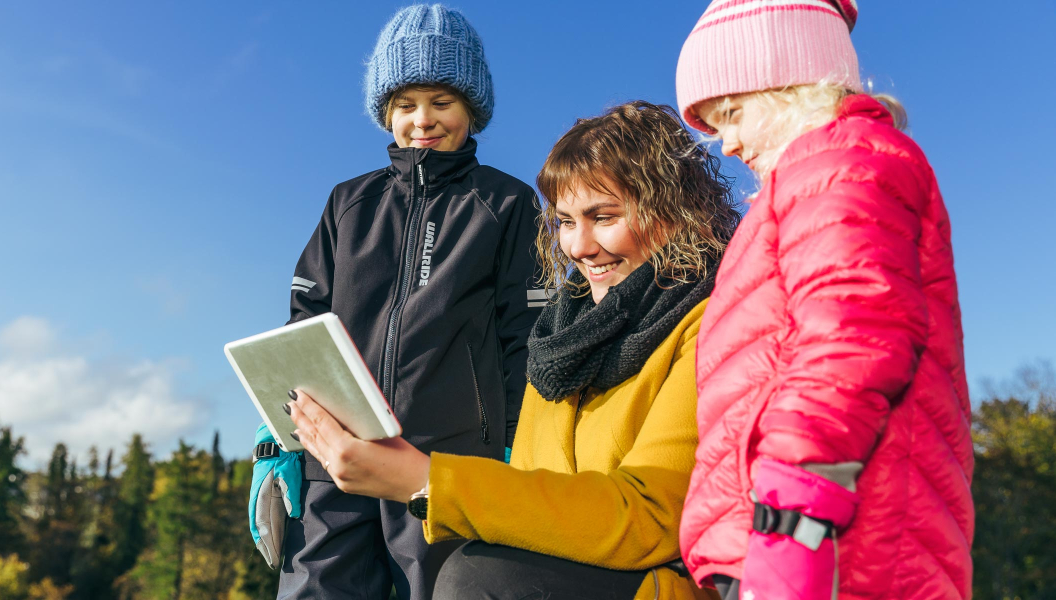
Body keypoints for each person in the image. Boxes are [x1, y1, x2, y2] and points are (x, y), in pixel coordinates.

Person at [288, 101, 740, 600]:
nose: (579, 246)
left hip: (659, 582)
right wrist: (279, 429)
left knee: (474, 579)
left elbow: (648, 518)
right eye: (566, 222)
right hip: (543, 568)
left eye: (603, 217)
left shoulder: (711, 326)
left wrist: (426, 480)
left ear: (672, 211)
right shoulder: (561, 338)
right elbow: (306, 318)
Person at [673, 1, 974, 599]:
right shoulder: (807, 183)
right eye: (712, 124)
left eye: (732, 112)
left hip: (835, 547)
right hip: (802, 540)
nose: (726, 143)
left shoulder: (839, 162)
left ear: (797, 82)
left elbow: (851, 340)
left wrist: (792, 517)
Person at [247, 5, 543, 599]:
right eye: (406, 105)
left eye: (442, 102)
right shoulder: (349, 204)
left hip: (447, 463)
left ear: (472, 108)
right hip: (336, 457)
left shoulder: (507, 205)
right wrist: (276, 438)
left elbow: (527, 334)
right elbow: (303, 328)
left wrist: (518, 441)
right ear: (386, 113)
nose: (423, 120)